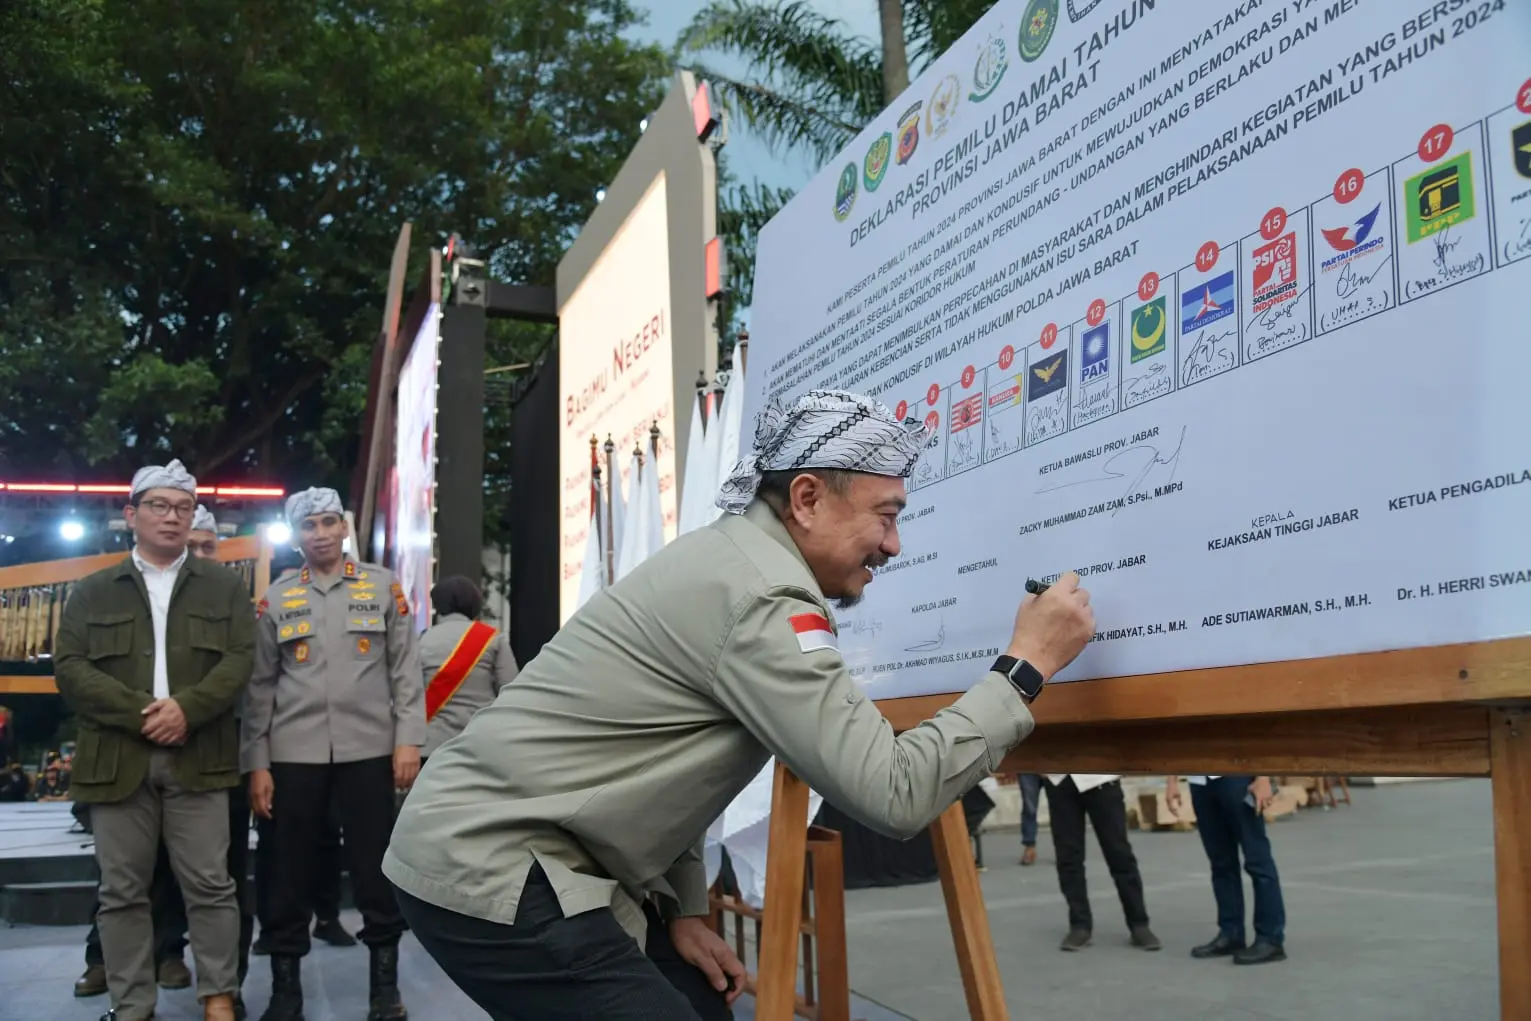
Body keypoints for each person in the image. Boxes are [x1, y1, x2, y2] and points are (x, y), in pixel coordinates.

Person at [382, 388, 1096, 1020]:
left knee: (704, 1003)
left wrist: (686, 910)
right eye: (885, 515)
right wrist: (1024, 667)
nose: (894, 543)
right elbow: (895, 790)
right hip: (491, 858)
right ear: (808, 498)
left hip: (525, 847)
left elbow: (669, 762)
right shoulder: (760, 596)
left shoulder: (733, 562)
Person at [53, 459, 252, 1021]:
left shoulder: (224, 586)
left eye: (183, 508)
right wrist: (145, 714)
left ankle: (219, 995)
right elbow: (70, 667)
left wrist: (186, 708)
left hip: (201, 758)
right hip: (117, 761)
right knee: (121, 893)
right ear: (131, 515)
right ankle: (132, 1004)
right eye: (159, 506)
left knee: (212, 885)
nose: (172, 517)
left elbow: (240, 660)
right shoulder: (94, 591)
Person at [241, 487, 425, 1021]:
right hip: (292, 755)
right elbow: (259, 689)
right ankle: (285, 992)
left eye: (327, 523)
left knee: (374, 868)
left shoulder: (383, 587)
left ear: (343, 527)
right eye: (308, 526)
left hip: (369, 750)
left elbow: (404, 671)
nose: (319, 534)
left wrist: (408, 738)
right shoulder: (275, 598)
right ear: (296, 535)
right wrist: (256, 762)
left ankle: (384, 992)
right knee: (287, 871)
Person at [1166, 774, 1287, 964]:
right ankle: (1231, 933)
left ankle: (1270, 939)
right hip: (1200, 781)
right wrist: (1171, 782)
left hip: (1236, 777)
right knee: (1221, 862)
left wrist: (1263, 778)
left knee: (1257, 860)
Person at [1040, 774, 1159, 952]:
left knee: (1119, 854)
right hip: (1060, 779)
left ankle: (1139, 924)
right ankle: (1080, 925)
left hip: (1100, 778)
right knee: (1068, 857)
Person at [417, 575, 518, 761]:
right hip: (479, 746)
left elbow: (411, 694)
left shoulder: (422, 641)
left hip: (431, 749)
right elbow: (511, 692)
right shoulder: (493, 639)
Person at [1016, 773, 1042, 866]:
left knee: (1059, 808)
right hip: (1027, 763)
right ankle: (1029, 847)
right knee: (1029, 807)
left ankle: (1062, 848)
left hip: (1054, 762)